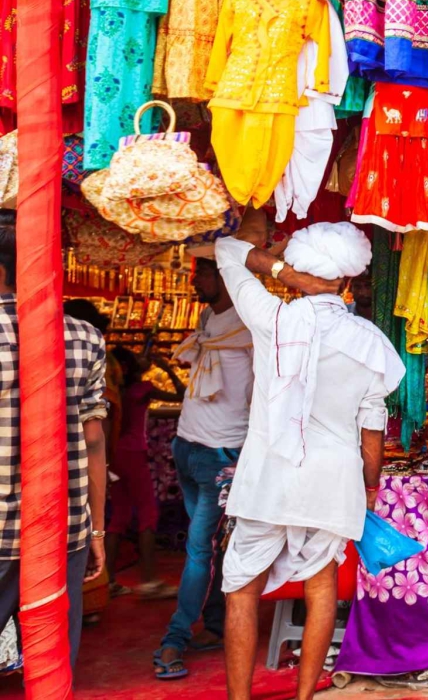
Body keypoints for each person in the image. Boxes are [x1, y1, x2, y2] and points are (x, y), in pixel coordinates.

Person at [215, 223, 404, 700]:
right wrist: (369, 486)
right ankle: (302, 698)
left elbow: (228, 250)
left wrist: (281, 269)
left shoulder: (272, 318)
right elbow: (372, 426)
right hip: (333, 479)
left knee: (240, 590)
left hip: (267, 478)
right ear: (347, 279)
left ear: (302, 270)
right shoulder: (369, 340)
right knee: (321, 589)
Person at [0, 213, 109, 664]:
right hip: (63, 522)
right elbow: (94, 439)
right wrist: (97, 527)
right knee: (53, 654)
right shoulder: (85, 336)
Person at [155, 256, 255, 680]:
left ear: (226, 278)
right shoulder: (206, 318)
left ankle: (174, 639)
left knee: (199, 548)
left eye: (205, 273)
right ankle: (214, 624)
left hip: (220, 454)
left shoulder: (251, 332)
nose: (196, 280)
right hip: (188, 444)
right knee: (206, 548)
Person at [105, 347, 176, 600]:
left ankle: (107, 579)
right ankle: (149, 581)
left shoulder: (115, 392)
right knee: (148, 513)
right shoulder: (143, 389)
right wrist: (167, 369)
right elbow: (182, 395)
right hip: (135, 453)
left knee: (119, 515)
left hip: (115, 454)